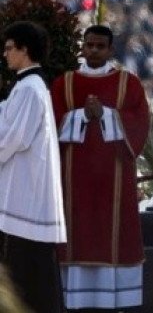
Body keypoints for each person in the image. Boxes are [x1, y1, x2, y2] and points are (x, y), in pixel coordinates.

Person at [50, 24, 151, 310]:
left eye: (99, 46)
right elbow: (50, 123)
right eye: (88, 45)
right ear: (82, 46)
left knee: (113, 235)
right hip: (75, 181)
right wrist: (82, 115)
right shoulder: (64, 83)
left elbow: (140, 122)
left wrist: (106, 115)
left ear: (111, 49)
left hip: (113, 178)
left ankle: (115, 302)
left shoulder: (128, 83)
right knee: (76, 235)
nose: (93, 50)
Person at [0, 21, 66, 312]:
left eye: (10, 48)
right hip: (24, 199)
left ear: (25, 50)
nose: (5, 54)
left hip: (27, 202)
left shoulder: (30, 88)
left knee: (31, 280)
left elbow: (13, 138)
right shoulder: (27, 86)